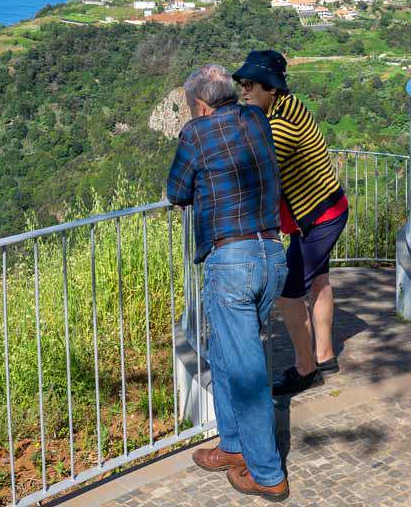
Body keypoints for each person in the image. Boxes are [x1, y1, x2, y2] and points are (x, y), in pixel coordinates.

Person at [164, 63, 291, 501]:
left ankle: (267, 473)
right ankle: (233, 445)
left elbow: (177, 191)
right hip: (272, 255)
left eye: (190, 107)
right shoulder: (255, 118)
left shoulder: (195, 134)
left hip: (232, 262)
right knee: (223, 351)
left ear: (199, 105)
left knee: (247, 370)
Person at [232, 50, 347, 398]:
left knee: (288, 292)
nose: (244, 90)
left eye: (251, 84)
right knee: (319, 281)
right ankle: (325, 356)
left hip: (317, 218)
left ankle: (305, 368)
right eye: (241, 83)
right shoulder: (286, 107)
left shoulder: (283, 125)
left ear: (271, 88)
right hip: (325, 210)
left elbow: (259, 171)